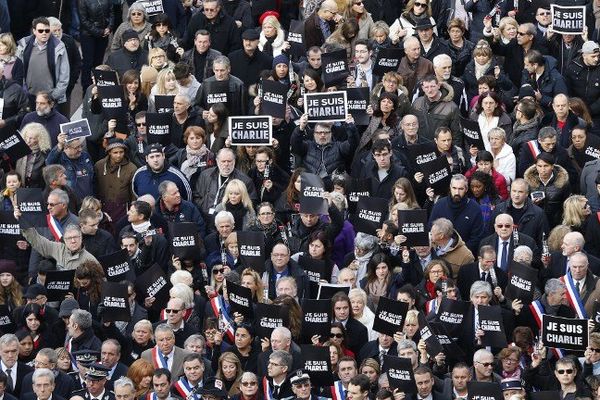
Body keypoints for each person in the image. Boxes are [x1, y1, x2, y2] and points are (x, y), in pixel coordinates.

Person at [16, 17, 70, 109]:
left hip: (50, 98)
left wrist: (54, 95)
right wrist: (23, 90)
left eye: (47, 30)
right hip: (29, 96)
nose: (44, 33)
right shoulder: (24, 45)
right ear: (34, 31)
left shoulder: (59, 47)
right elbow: (18, 70)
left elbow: (64, 75)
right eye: (40, 31)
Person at [523, 152, 571, 229]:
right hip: (535, 221)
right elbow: (523, 203)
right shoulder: (528, 182)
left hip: (556, 223)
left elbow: (567, 205)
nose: (543, 169)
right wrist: (531, 203)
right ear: (536, 166)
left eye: (546, 166)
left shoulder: (563, 182)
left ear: (552, 166)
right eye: (539, 166)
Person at [410, 75, 460, 143]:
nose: (430, 90)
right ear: (423, 88)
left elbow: (456, 135)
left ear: (438, 86)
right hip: (421, 146)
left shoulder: (451, 107)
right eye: (426, 87)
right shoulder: (417, 103)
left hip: (442, 148)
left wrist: (454, 151)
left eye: (432, 86)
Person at [564, 41, 600, 133]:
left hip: (596, 114)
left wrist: (590, 110)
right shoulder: (573, 68)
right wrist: (576, 108)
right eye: (593, 56)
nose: (596, 59)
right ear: (584, 55)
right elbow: (567, 91)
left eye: (598, 56)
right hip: (576, 113)